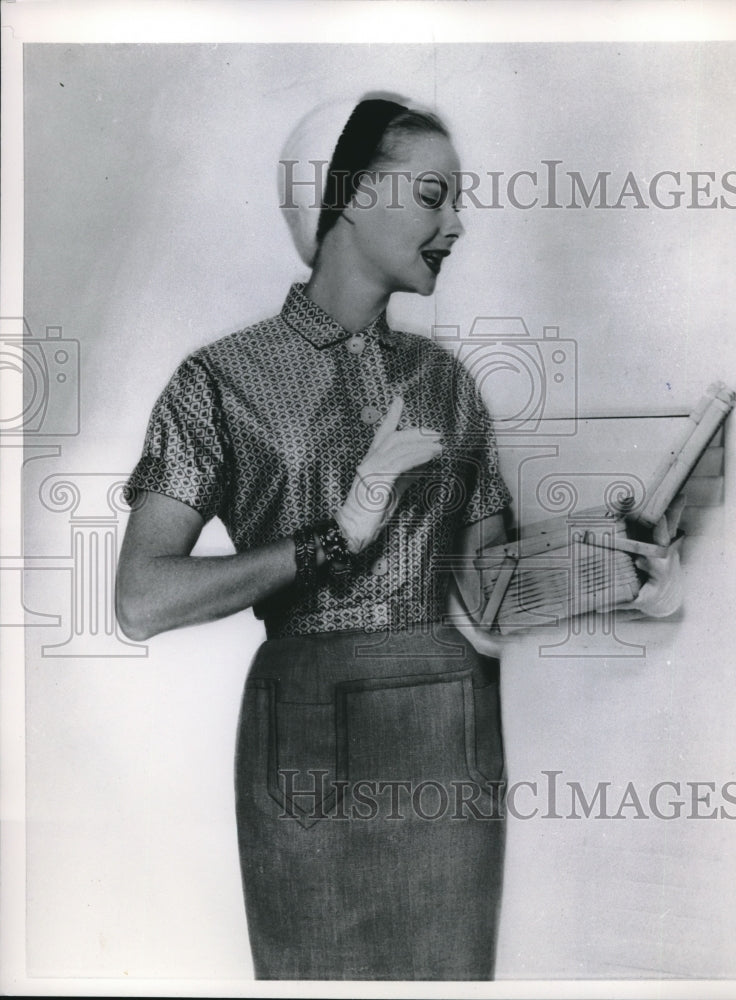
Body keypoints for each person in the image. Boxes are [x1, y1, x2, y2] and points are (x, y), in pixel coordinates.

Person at [116, 94, 681, 980]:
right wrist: (333, 535)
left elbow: (488, 588)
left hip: (452, 728)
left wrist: (614, 564)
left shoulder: (446, 383)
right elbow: (141, 600)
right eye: (432, 195)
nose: (455, 223)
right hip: (307, 724)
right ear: (345, 194)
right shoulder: (219, 381)